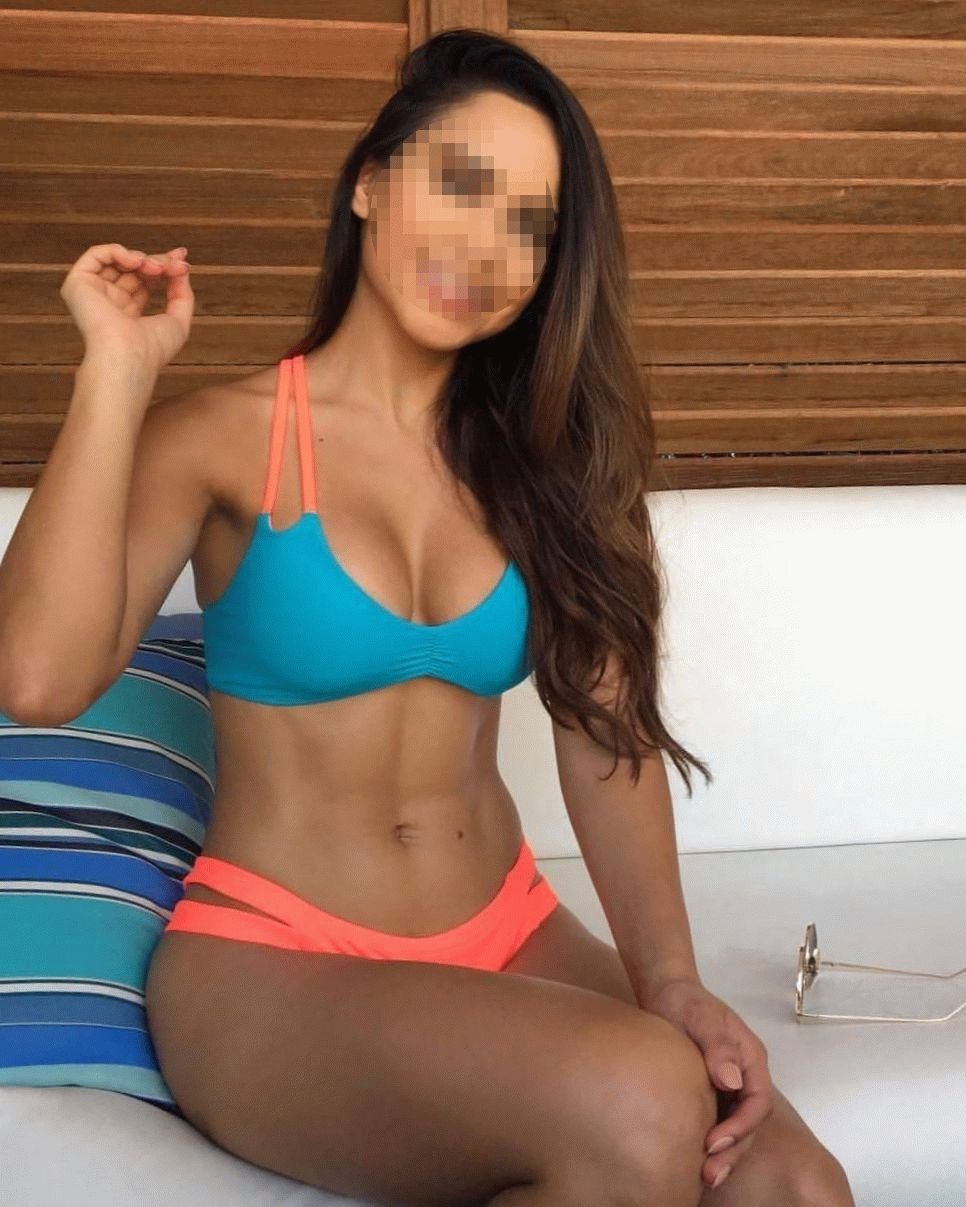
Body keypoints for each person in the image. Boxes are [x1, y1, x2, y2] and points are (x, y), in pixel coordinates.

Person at [6, 27, 853, 1207]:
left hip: (509, 925)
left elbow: (607, 739)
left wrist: (673, 982)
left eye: (530, 224)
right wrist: (114, 370)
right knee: (643, 1100)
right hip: (273, 959)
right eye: (461, 184)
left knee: (795, 1186)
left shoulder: (543, 464)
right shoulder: (221, 440)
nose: (488, 246)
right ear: (369, 182)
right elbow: (37, 679)